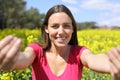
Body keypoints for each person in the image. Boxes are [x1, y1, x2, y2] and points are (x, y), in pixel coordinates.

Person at [0, 4, 120, 80]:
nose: (61, 31)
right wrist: (12, 59)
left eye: (66, 26)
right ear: (46, 28)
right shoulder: (37, 51)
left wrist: (113, 64)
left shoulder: (79, 53)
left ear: (73, 28)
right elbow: (24, 58)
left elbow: (94, 59)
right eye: (55, 26)